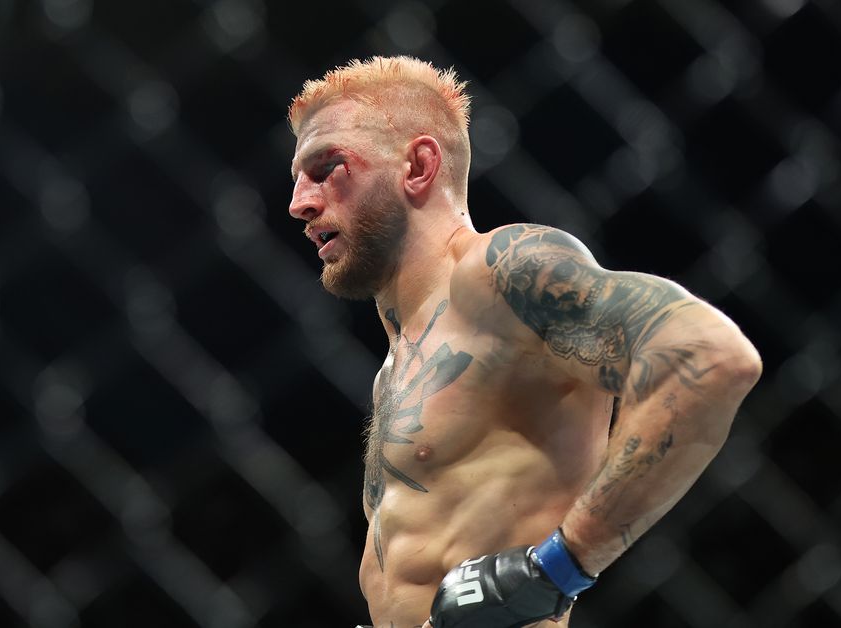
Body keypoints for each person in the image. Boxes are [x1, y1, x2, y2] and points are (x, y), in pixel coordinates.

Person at [285, 56, 763, 628]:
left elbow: (709, 355)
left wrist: (555, 570)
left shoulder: (500, 273)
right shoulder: (396, 367)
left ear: (418, 165)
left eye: (328, 168)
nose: (299, 202)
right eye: (297, 177)